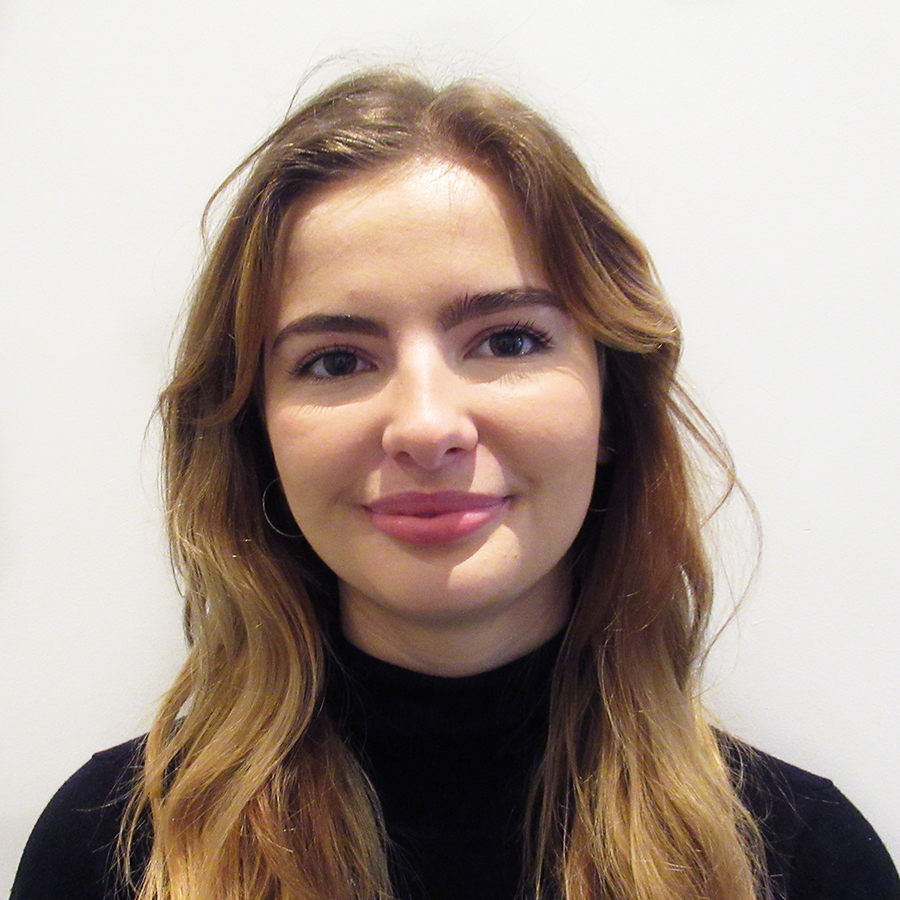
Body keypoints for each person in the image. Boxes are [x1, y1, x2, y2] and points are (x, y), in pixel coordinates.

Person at [12, 68, 899, 900]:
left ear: (612, 409)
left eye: (508, 341)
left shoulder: (804, 862)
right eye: (336, 360)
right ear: (258, 437)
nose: (427, 425)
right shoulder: (113, 854)